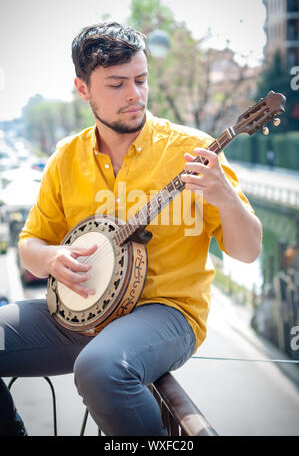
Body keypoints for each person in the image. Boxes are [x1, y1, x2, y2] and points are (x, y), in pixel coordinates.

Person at [0, 22, 262, 436]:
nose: (134, 95)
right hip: (79, 314)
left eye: (141, 80)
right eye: (116, 84)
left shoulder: (193, 151)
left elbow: (248, 252)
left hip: (167, 314)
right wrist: (51, 258)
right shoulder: (65, 158)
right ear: (83, 89)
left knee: (101, 368)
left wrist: (225, 197)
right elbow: (29, 244)